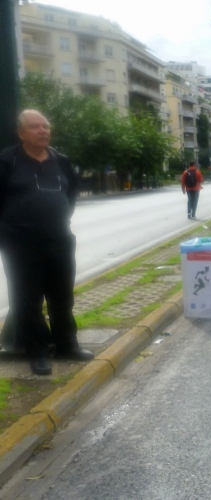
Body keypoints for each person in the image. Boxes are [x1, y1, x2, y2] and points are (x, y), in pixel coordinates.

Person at [0, 110, 94, 375]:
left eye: (45, 126)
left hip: (60, 240)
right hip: (20, 244)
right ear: (21, 133)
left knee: (62, 297)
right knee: (28, 301)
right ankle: (37, 352)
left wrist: (58, 218)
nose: (42, 131)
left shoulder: (60, 161)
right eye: (34, 127)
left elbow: (71, 194)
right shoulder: (7, 161)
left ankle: (67, 345)